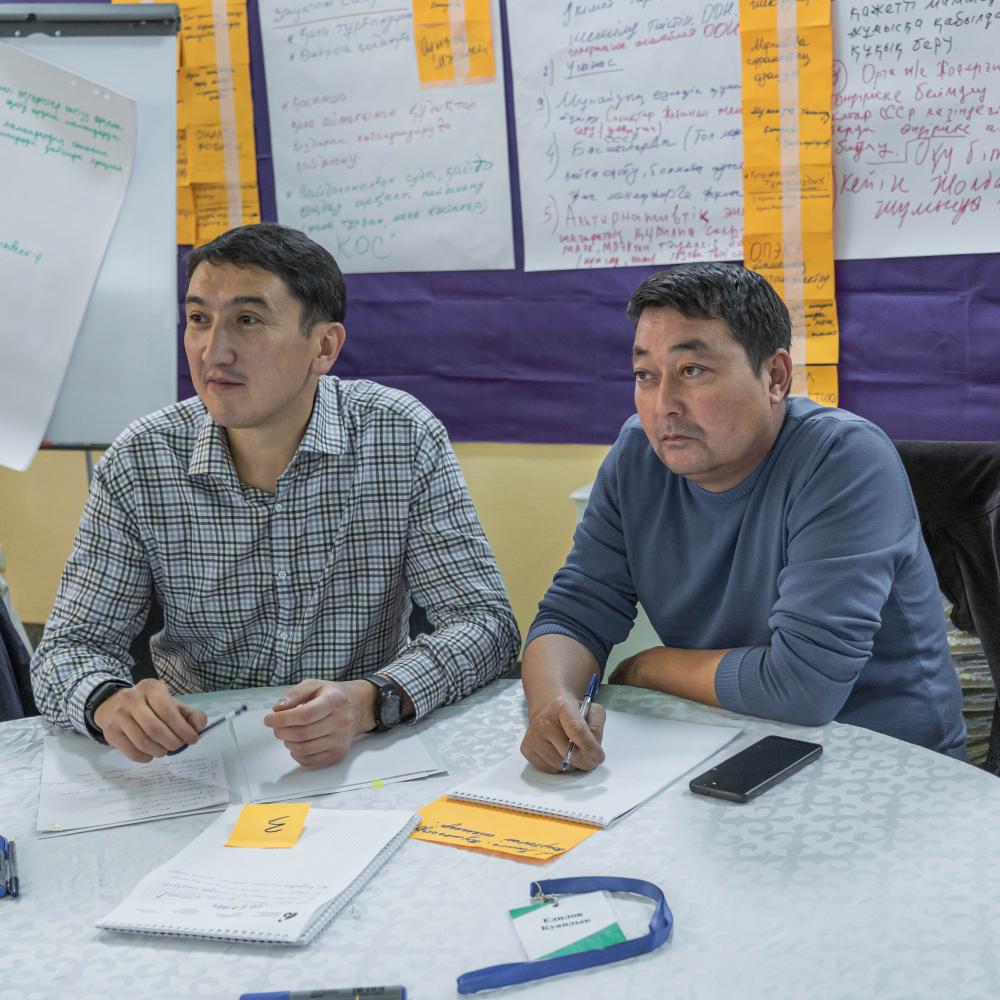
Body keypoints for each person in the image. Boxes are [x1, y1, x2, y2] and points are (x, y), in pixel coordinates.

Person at [32, 223, 519, 766]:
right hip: (201, 756)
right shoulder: (141, 460)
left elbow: (486, 624)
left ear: (324, 346)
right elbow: (68, 649)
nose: (213, 352)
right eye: (199, 319)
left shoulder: (400, 437)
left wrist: (371, 700)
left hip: (361, 751)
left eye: (247, 320)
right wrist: (106, 702)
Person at [520, 262, 966, 773]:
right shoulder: (637, 456)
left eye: (692, 370)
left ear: (775, 377)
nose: (664, 405)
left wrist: (647, 667)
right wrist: (554, 703)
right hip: (725, 743)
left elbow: (803, 686)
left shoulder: (844, 459)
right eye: (645, 375)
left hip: (884, 763)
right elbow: (575, 613)